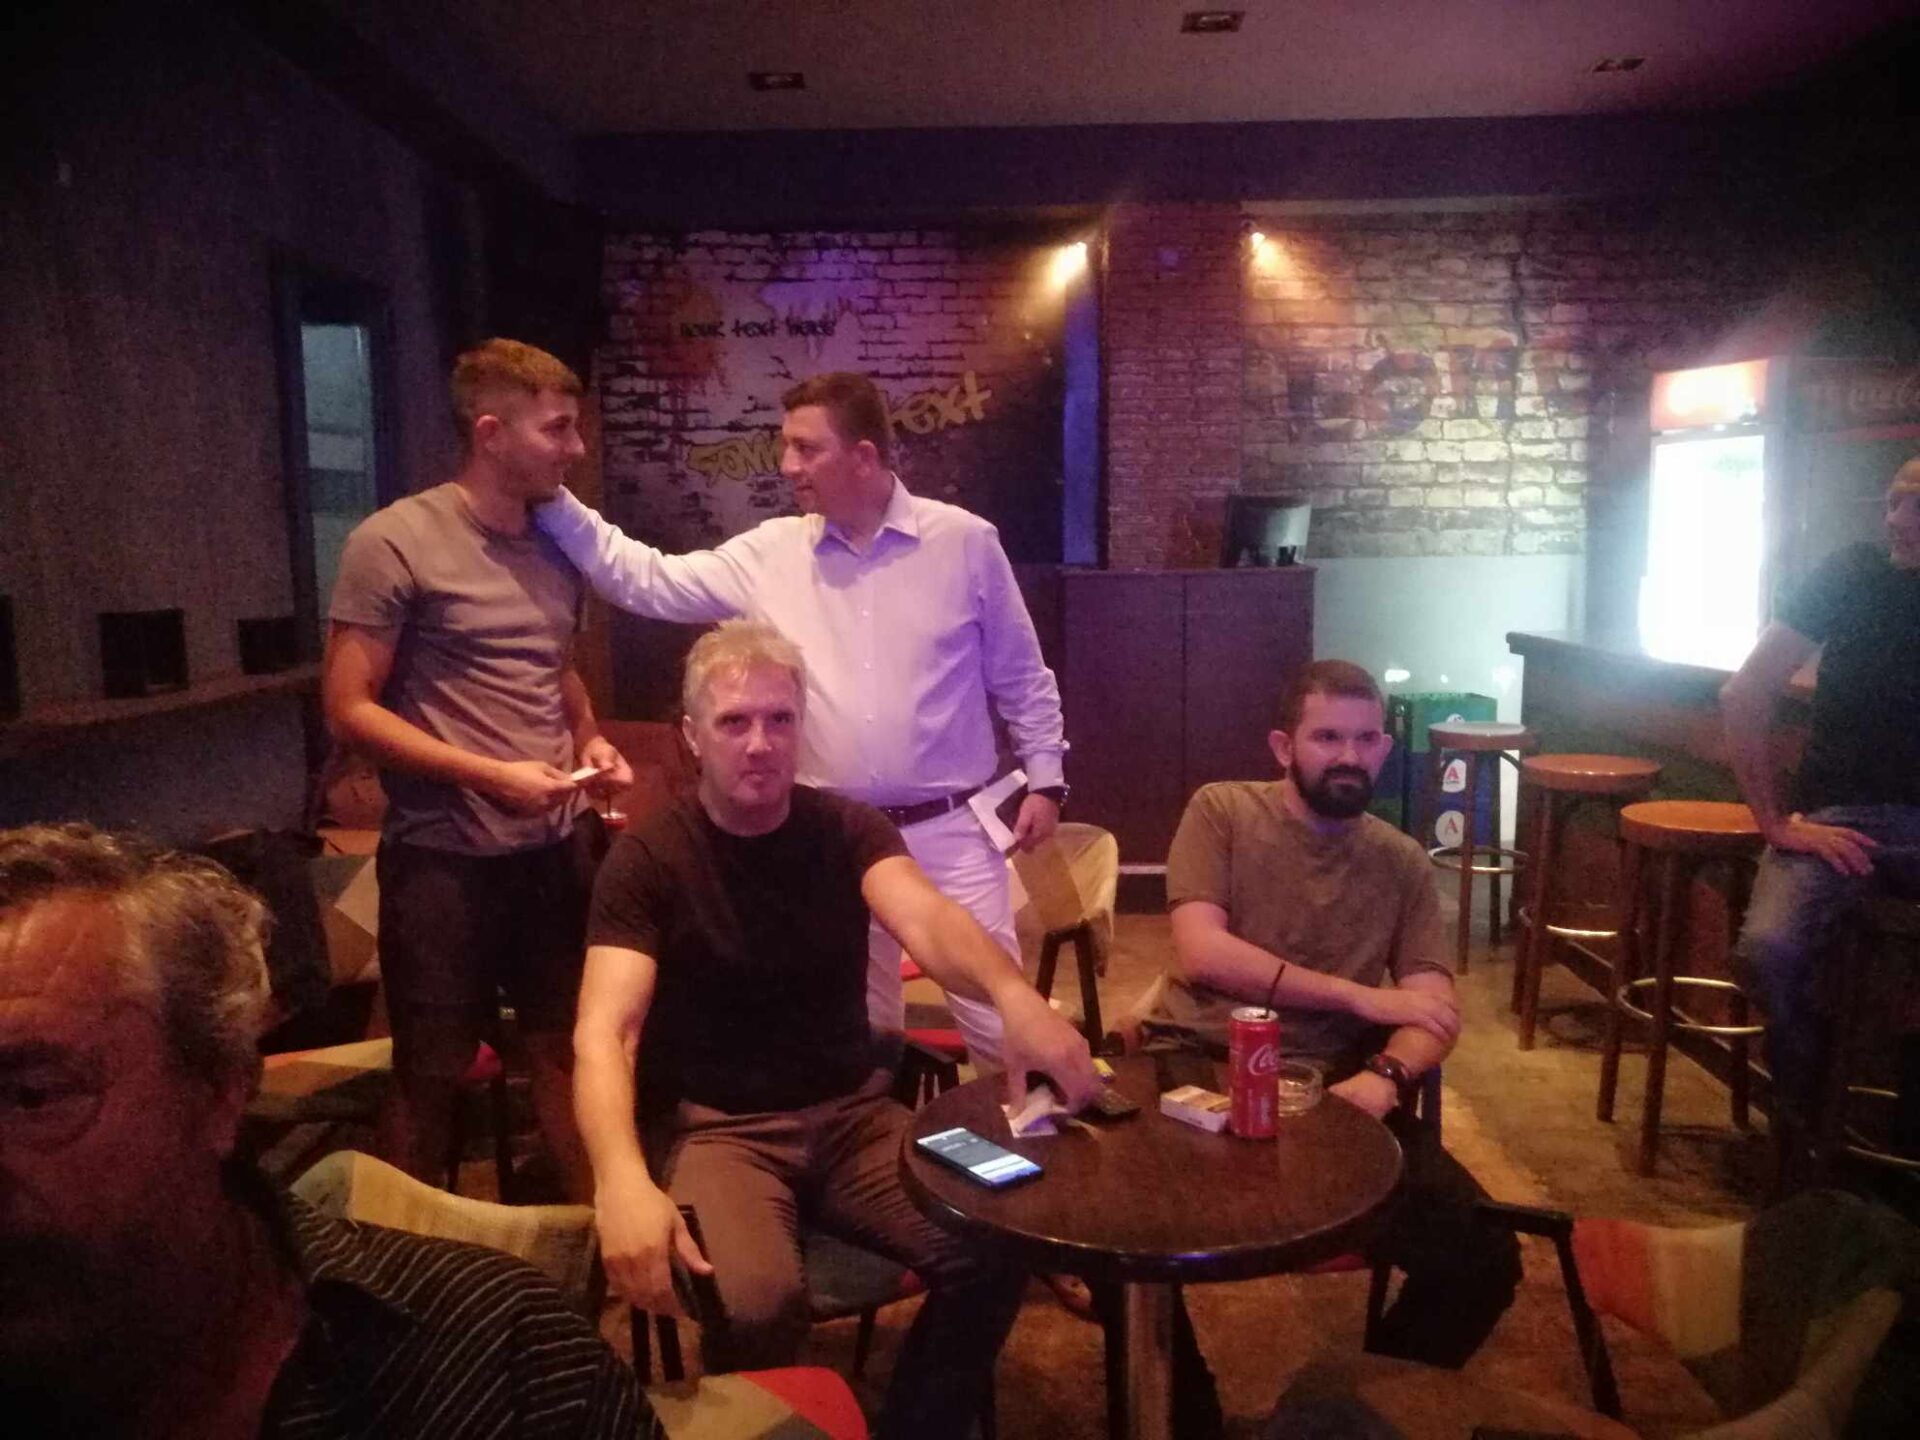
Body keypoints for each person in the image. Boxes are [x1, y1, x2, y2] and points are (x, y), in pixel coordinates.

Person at [572, 620, 1097, 1440]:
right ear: (692, 737)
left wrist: (1013, 994)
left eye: (779, 719)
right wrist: (619, 1179)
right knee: (757, 1304)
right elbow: (606, 1035)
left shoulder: (847, 829)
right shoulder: (647, 858)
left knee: (1004, 1240)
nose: (760, 743)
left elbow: (927, 919)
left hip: (857, 1119)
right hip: (721, 1132)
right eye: (734, 722)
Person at [0, 823, 644, 1438]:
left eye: (31, 1096)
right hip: (442, 859)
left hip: (537, 851)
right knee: (429, 1071)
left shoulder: (503, 1370)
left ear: (221, 1090)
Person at [536, 371, 1066, 1069]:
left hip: (951, 832)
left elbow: (1020, 672)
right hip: (829, 837)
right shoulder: (770, 553)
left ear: (864, 456)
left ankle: (1028, 1141)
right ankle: (879, 1140)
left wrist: (1047, 777)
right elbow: (646, 578)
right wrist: (551, 498)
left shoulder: (964, 543)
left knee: (1004, 1025)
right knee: (856, 1033)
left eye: (805, 449)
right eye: (785, 446)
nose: (787, 466)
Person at [1117, 659, 1521, 1433]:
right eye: (1327, 737)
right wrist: (1359, 996)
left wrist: (1386, 1075)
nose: (1349, 756)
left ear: (1385, 748)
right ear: (1284, 746)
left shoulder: (1400, 860)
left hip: (1333, 1090)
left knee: (1485, 1255)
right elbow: (1203, 952)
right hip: (1192, 1062)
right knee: (1113, 1237)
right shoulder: (1222, 811)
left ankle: (1343, 1416)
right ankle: (1189, 1424)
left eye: (1366, 740)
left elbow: (1433, 1008)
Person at [323, 338, 632, 1200]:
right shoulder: (393, 540)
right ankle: (396, 1260)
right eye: (557, 429)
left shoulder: (555, 542)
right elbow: (348, 709)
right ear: (490, 433)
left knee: (567, 1053)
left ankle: (601, 1248)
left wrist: (591, 740)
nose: (576, 448)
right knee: (430, 1074)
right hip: (441, 862)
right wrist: (490, 775)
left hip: (552, 852)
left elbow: (553, 667)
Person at [1722, 456, 1920, 1154]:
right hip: (1836, 822)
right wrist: (1776, 825)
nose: (1898, 520)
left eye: (1918, 506)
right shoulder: (1852, 574)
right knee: (1768, 951)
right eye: (1894, 501)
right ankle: (1807, 1110)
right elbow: (1743, 693)